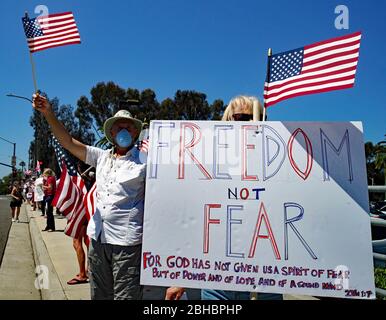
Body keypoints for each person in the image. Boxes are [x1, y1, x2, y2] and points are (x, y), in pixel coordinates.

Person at [166, 96, 282, 301]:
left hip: (266, 278)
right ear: (228, 119)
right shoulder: (208, 164)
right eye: (240, 117)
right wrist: (181, 277)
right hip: (218, 279)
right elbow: (198, 221)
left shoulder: (278, 162)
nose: (247, 123)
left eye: (254, 117)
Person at [33, 94, 145, 300]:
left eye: (128, 127)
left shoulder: (146, 161)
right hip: (98, 239)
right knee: (99, 295)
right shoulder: (100, 156)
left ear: (136, 132)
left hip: (128, 244)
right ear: (111, 132)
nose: (123, 131)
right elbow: (67, 141)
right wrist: (48, 114)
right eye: (119, 127)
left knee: (126, 297)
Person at [67, 167, 95, 286]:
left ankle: (83, 274)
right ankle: (89, 270)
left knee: (77, 242)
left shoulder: (82, 178)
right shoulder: (92, 177)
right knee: (86, 241)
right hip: (87, 210)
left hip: (81, 211)